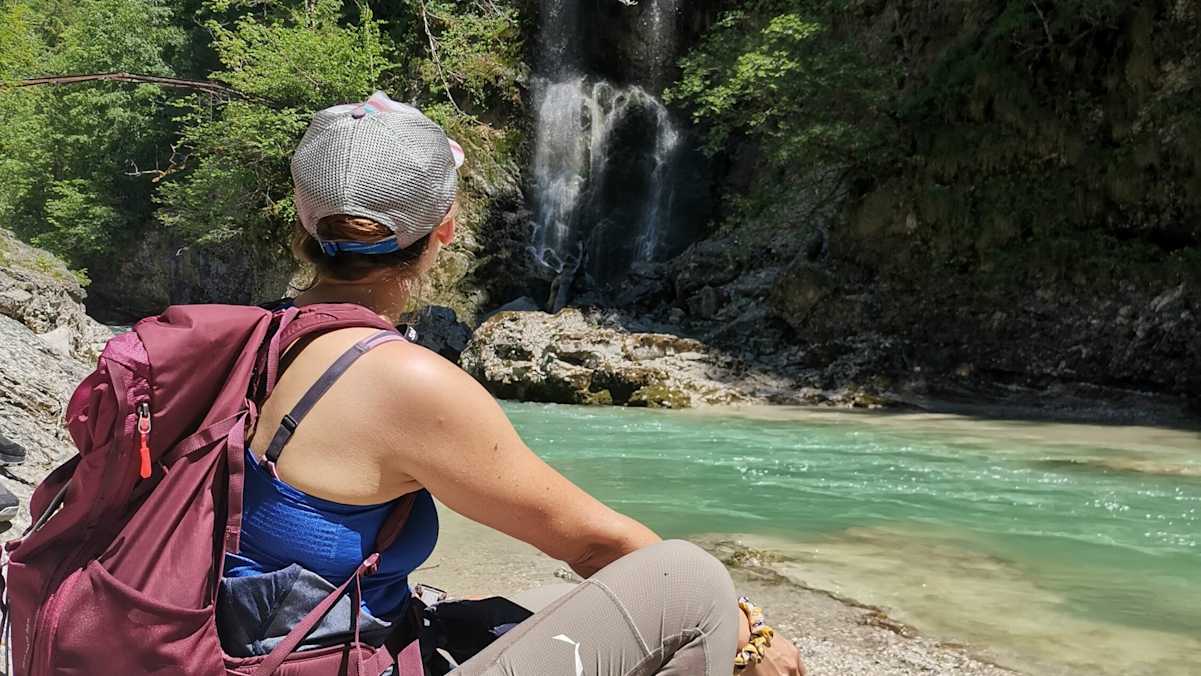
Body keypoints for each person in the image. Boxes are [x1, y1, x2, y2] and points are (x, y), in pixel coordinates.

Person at [226, 92, 805, 676]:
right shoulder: (406, 380)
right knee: (689, 577)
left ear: (305, 219)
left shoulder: (243, 340)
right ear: (445, 228)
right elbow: (594, 544)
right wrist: (752, 635)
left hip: (221, 648)